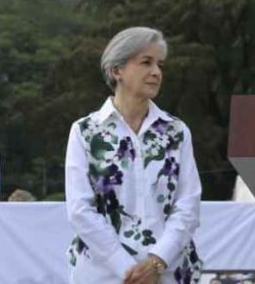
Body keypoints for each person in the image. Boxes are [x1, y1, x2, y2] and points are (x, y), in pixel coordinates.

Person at [65, 27, 203, 284]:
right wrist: (128, 269)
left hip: (169, 272)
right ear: (116, 70)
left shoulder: (177, 131)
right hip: (101, 275)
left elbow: (188, 205)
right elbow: (79, 210)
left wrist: (156, 262)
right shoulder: (85, 131)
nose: (156, 72)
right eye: (146, 62)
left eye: (159, 64)